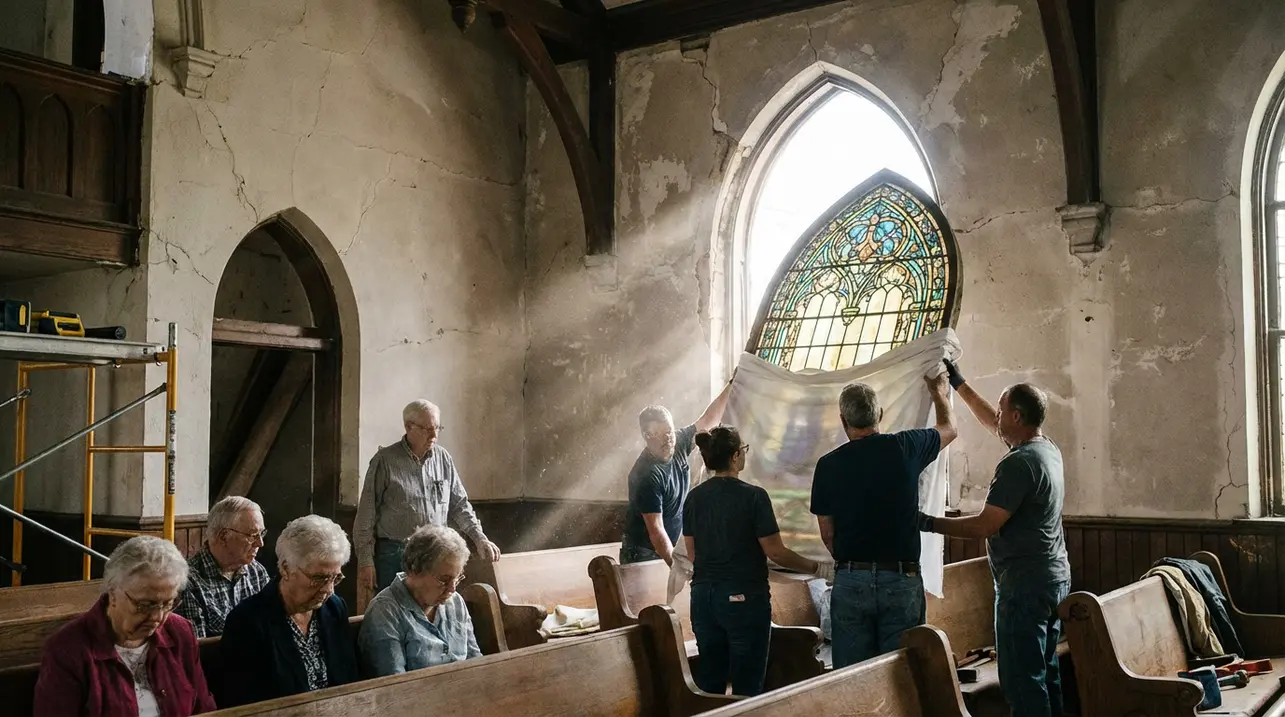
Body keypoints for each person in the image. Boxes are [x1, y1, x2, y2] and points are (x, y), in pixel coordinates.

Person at [919, 362, 1070, 717]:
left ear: (1016, 416)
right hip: (1052, 578)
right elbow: (993, 422)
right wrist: (959, 384)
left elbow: (983, 526)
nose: (997, 416)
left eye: (1003, 410)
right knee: (1045, 672)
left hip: (1024, 585)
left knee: (1021, 681)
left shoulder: (1018, 464)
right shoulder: (1046, 448)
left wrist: (926, 521)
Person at [810, 372, 956, 668]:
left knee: (852, 677)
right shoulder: (906, 447)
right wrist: (938, 393)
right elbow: (949, 429)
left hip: (851, 579)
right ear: (879, 414)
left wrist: (854, 564)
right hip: (901, 578)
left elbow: (828, 534)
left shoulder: (827, 465)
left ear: (843, 420)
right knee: (901, 673)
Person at [683, 425, 832, 697]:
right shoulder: (753, 496)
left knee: (710, 684)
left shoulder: (694, 498)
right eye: (743, 449)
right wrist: (818, 568)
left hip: (703, 599)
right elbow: (776, 552)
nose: (744, 454)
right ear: (735, 456)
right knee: (747, 687)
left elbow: (692, 555)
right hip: (743, 600)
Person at [34, 536, 216, 716]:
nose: (158, 617)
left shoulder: (180, 632)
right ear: (113, 593)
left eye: (168, 603)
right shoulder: (68, 649)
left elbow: (204, 709)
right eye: (145, 605)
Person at [355, 399, 501, 611]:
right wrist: (365, 561)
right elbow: (366, 515)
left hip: (436, 554)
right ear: (408, 427)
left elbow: (460, 505)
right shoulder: (385, 460)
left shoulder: (443, 458)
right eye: (427, 429)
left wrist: (479, 538)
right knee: (395, 613)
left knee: (434, 614)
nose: (434, 435)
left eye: (437, 428)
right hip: (395, 555)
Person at [216, 515, 359, 707]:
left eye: (336, 578)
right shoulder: (247, 621)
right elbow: (242, 704)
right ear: (285, 569)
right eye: (319, 578)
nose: (328, 590)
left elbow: (349, 679)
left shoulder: (334, 608)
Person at [621, 379, 735, 565]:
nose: (668, 439)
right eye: (661, 434)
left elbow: (708, 420)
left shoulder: (678, 441)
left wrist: (732, 384)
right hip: (644, 553)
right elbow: (656, 531)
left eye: (670, 431)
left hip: (671, 543)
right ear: (647, 436)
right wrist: (676, 566)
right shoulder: (646, 475)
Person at [359, 524, 481, 677]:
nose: (452, 589)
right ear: (415, 569)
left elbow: (476, 661)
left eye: (457, 579)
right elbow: (395, 682)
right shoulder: (385, 611)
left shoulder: (456, 602)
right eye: (444, 580)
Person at [176, 496, 270, 637]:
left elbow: (273, 623)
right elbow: (197, 646)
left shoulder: (256, 571)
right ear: (224, 536)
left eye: (261, 533)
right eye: (252, 535)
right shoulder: (188, 582)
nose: (260, 543)